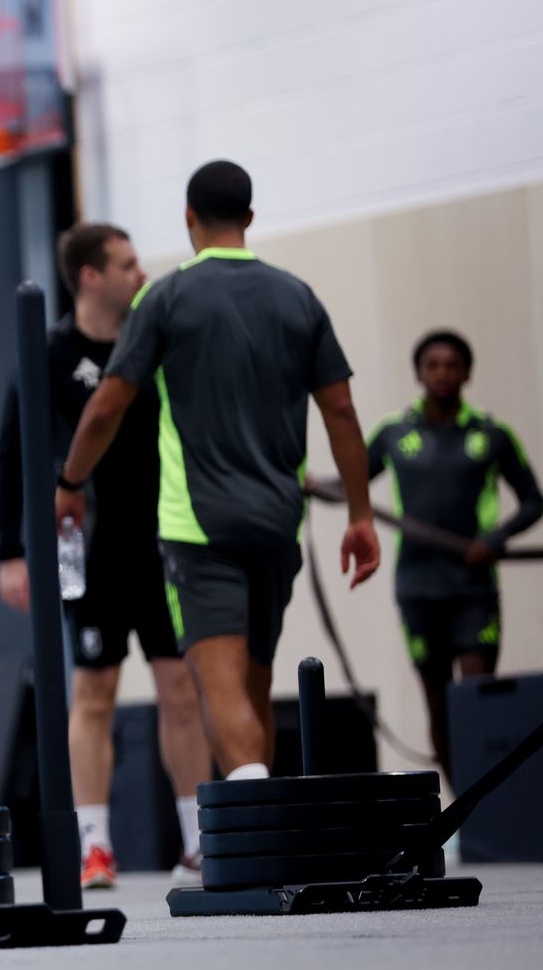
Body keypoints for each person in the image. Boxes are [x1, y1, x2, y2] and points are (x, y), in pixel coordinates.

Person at [55, 161, 381, 780]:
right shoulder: (297, 296)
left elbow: (107, 406)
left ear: (189, 219)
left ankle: (256, 827)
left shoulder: (167, 297)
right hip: (277, 522)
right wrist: (360, 516)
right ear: (250, 219)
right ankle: (266, 830)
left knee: (221, 686)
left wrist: (70, 483)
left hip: (199, 529)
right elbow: (341, 410)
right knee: (256, 682)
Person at [0, 223, 210, 888]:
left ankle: (200, 842)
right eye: (126, 264)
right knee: (94, 691)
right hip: (87, 550)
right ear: (90, 276)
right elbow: (11, 452)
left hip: (163, 540)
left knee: (180, 687)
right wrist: (9, 552)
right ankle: (95, 846)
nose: (139, 272)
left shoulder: (154, 340)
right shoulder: (51, 352)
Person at [364, 330, 541, 782]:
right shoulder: (392, 434)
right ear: (419, 373)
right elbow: (351, 483)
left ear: (466, 372)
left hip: (473, 587)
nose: (442, 373)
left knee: (476, 694)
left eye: (452, 365)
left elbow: (533, 501)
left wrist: (496, 539)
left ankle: (492, 809)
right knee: (438, 703)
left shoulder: (491, 434)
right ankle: (460, 808)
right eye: (433, 365)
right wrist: (300, 481)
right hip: (418, 587)